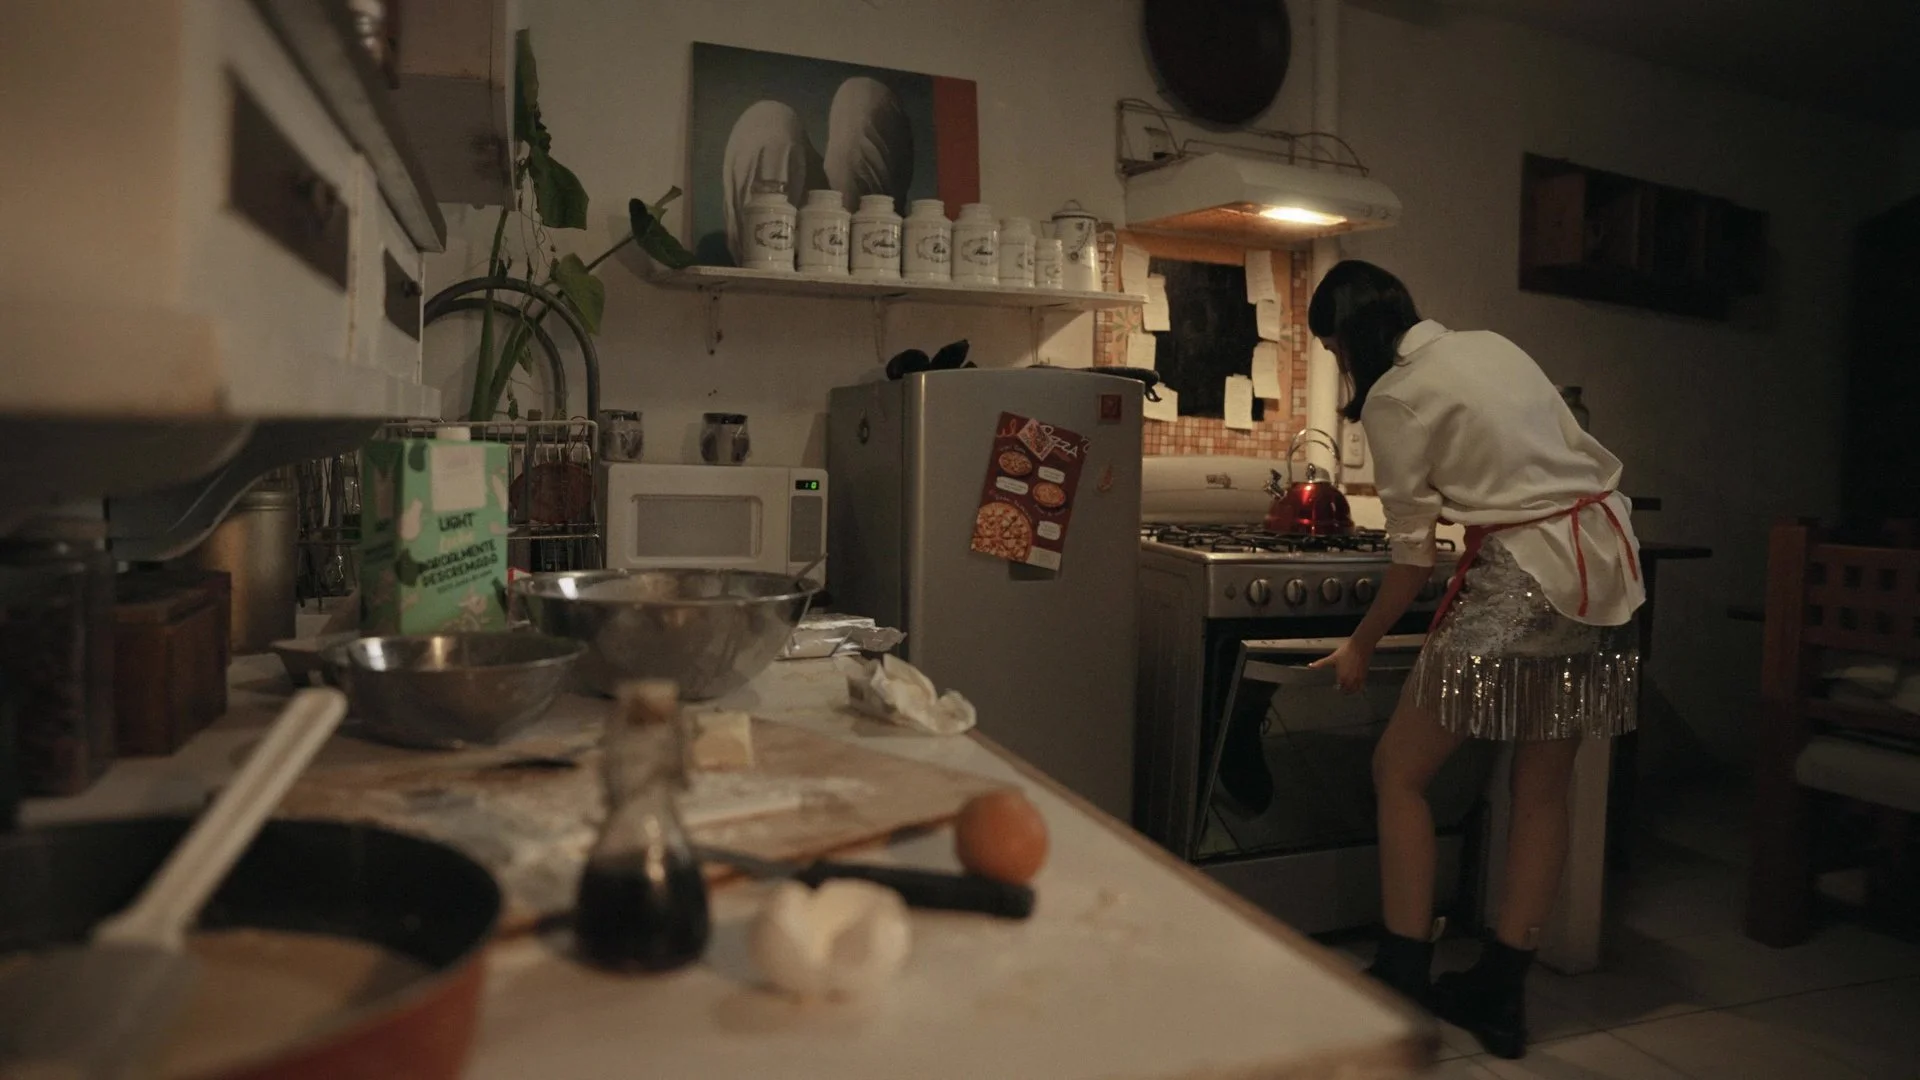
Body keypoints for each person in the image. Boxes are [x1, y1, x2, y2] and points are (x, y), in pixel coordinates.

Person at [1306, 261, 1642, 1059]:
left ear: (1347, 338)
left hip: (1524, 581)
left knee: (1399, 771)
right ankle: (1502, 994)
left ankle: (1403, 972)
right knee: (1542, 789)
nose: (1337, 362)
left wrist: (1360, 642)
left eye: (1332, 348)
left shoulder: (1394, 395)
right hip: (1605, 572)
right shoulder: (1490, 344)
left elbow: (1412, 557)